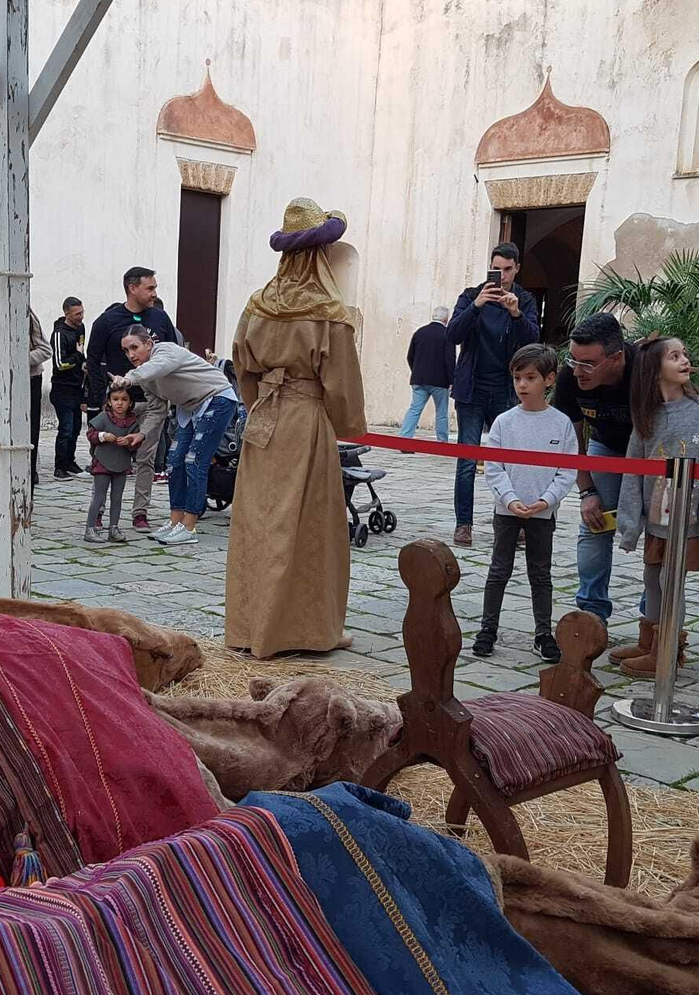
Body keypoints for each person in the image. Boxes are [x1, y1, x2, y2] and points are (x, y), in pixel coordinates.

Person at [225, 198, 367, 657]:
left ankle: (251, 626)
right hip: (305, 423)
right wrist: (349, 425)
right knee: (308, 527)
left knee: (258, 522)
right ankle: (305, 630)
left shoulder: (257, 305)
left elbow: (242, 368)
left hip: (264, 421)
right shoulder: (329, 312)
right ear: (320, 255)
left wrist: (261, 402)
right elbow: (342, 385)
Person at [613, 337, 699, 677]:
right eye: (674, 356)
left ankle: (667, 652)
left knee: (671, 582)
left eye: (684, 354)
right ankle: (648, 641)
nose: (684, 360)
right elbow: (634, 469)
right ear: (654, 369)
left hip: (687, 518)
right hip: (656, 517)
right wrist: (630, 523)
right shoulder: (646, 416)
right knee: (652, 577)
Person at [470, 344, 578, 663]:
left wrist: (546, 501)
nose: (522, 384)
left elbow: (567, 470)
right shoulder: (504, 422)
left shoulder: (561, 424)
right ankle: (488, 628)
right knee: (498, 570)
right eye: (517, 377)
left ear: (549, 379)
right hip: (507, 511)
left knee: (540, 573)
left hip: (542, 514)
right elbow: (494, 467)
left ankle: (543, 633)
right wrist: (510, 499)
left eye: (530, 377)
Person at [446, 241, 540, 546]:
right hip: (472, 391)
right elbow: (452, 334)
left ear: (517, 269)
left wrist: (516, 314)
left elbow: (533, 344)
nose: (502, 275)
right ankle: (464, 525)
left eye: (507, 270)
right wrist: (476, 307)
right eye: (496, 269)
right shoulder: (471, 296)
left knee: (510, 462)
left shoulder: (525, 300)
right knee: (467, 462)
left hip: (505, 391)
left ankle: (514, 523)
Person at [113, 325, 241, 546]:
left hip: (217, 399)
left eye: (134, 347)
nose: (131, 355)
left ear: (149, 344)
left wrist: (128, 378)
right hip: (189, 408)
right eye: (126, 350)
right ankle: (175, 521)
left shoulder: (165, 351)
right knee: (174, 462)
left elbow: (159, 366)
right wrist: (142, 434)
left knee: (195, 461)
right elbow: (157, 409)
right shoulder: (144, 375)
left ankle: (189, 528)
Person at [553, 312, 636, 622]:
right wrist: (587, 491)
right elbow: (570, 441)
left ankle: (655, 622)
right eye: (573, 360)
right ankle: (591, 613)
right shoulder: (570, 377)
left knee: (660, 529)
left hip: (652, 454)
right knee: (595, 522)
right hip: (604, 447)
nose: (578, 371)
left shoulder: (645, 370)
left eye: (588, 363)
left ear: (616, 358)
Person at [86, 268, 177, 531]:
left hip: (151, 404)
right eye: (150, 288)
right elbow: (93, 360)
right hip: (118, 403)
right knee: (106, 458)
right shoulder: (107, 321)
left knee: (146, 459)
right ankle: (99, 510)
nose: (154, 293)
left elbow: (172, 354)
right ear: (132, 288)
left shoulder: (160, 318)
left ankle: (140, 513)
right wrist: (101, 398)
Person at [0, 276, 52, 487]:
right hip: (6, 381)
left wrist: (17, 362)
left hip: (30, 379)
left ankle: (29, 473)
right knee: (7, 429)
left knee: (29, 431)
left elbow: (45, 349)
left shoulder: (25, 313)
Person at [84, 386, 141, 543]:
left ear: (130, 403)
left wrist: (129, 441)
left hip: (121, 463)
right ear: (109, 402)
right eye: (115, 399)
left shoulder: (132, 422)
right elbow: (91, 434)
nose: (119, 403)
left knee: (117, 497)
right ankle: (90, 528)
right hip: (102, 462)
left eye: (124, 400)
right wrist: (103, 436)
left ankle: (113, 528)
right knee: (99, 496)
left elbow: (136, 443)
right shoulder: (104, 417)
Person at [399, 306, 456, 442]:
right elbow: (450, 359)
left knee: (414, 409)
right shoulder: (448, 334)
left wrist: (416, 371)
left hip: (419, 379)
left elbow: (410, 356)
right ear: (446, 319)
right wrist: (452, 380)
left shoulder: (419, 332)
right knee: (441, 412)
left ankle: (405, 438)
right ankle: (442, 441)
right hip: (440, 381)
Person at [50, 298, 87, 479]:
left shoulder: (81, 328)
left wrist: (84, 362)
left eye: (82, 312)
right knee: (65, 428)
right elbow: (60, 364)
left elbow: (82, 350)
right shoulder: (59, 334)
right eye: (77, 314)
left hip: (77, 388)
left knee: (76, 428)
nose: (81, 316)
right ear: (67, 314)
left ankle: (70, 461)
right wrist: (78, 357)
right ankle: (59, 467)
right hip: (62, 389)